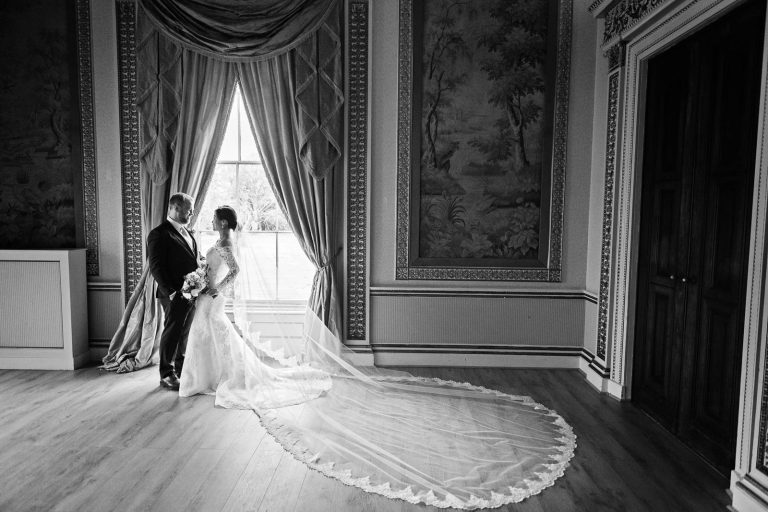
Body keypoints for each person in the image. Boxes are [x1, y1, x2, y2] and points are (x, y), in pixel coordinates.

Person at [175, 204, 577, 509]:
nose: (212, 225)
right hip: (210, 301)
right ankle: (206, 378)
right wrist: (203, 284)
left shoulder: (225, 246)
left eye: (215, 220)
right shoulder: (218, 245)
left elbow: (232, 273)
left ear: (225, 225)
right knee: (215, 338)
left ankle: (213, 379)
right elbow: (220, 273)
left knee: (220, 339)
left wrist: (210, 288)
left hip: (213, 301)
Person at [147, 192, 200, 391]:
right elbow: (156, 267)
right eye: (189, 210)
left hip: (191, 293)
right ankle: (166, 374)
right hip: (173, 294)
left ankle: (181, 369)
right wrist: (171, 292)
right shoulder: (159, 234)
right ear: (176, 208)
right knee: (172, 332)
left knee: (184, 333)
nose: (192, 213)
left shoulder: (189, 233)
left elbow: (194, 259)